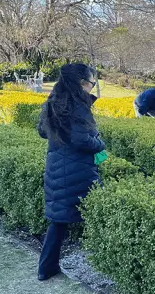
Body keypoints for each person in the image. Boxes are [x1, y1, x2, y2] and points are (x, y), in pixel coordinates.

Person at [37, 63, 106, 281]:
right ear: (80, 83)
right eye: (91, 83)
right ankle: (106, 262)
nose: (91, 88)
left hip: (56, 167)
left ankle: (45, 268)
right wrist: (99, 143)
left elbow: (42, 131)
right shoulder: (78, 105)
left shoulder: (52, 102)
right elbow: (80, 139)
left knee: (59, 221)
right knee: (99, 212)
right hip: (79, 170)